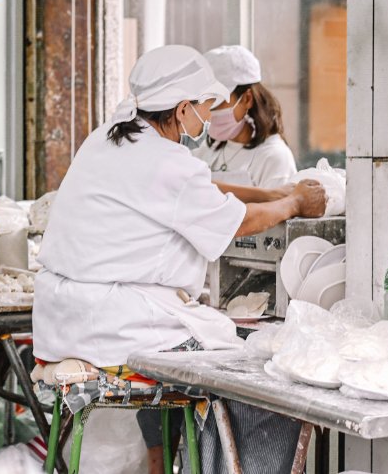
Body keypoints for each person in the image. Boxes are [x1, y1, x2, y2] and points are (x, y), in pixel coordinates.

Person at [31, 45, 326, 474]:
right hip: (117, 323)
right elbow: (237, 222)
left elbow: (200, 188)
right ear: (182, 108)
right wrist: (295, 203)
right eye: (205, 107)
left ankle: (168, 462)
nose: (207, 118)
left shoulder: (108, 137)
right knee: (261, 375)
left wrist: (276, 193)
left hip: (66, 318)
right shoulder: (165, 160)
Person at [193, 45, 297, 188]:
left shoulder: (274, 158)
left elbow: (278, 208)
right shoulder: (205, 151)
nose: (209, 114)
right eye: (205, 104)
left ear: (247, 99)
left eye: (216, 104)